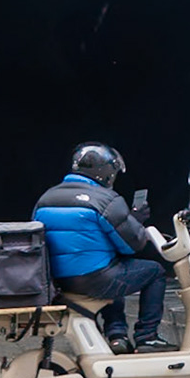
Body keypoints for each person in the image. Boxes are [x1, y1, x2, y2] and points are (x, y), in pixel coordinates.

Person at [34, 143, 173, 352]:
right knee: (154, 272)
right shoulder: (106, 200)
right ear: (106, 173)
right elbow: (132, 245)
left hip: (58, 281)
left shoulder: (46, 199)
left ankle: (117, 335)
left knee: (112, 265)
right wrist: (135, 220)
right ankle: (147, 337)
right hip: (94, 279)